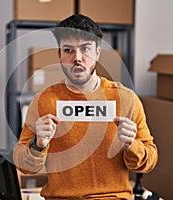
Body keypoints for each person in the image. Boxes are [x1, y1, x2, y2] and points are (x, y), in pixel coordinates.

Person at [13, 14, 158, 200]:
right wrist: (38, 144)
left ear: (98, 53)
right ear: (59, 54)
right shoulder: (43, 101)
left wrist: (132, 145)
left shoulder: (126, 99)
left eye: (85, 49)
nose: (77, 58)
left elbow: (149, 161)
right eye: (68, 50)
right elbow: (24, 166)